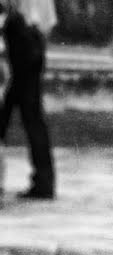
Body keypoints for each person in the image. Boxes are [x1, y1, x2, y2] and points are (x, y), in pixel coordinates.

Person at [0, 0, 56, 199]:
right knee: (28, 117)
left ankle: (44, 182)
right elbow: (48, 23)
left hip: (22, 43)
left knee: (25, 117)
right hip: (32, 45)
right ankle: (44, 181)